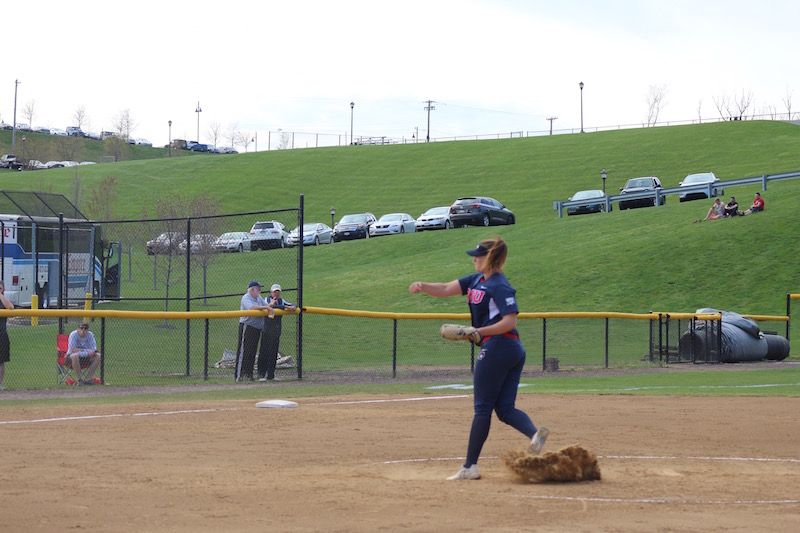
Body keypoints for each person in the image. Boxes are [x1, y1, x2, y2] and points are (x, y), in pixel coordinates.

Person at [409, 237, 549, 481]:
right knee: (504, 409)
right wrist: (423, 285)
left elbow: (510, 321)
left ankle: (469, 467)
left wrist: (477, 332)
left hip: (499, 345)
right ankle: (535, 435)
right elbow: (443, 288)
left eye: (478, 255)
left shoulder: (499, 285)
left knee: (483, 407)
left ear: (490, 258)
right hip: (510, 349)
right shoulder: (476, 280)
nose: (474, 258)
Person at [257, 284, 297, 382]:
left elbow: (294, 305)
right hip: (266, 330)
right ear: (271, 292)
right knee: (264, 353)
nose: (276, 293)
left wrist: (292, 307)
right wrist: (286, 307)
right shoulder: (267, 299)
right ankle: (261, 374)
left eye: (278, 291)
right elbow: (271, 306)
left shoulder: (282, 301)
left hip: (276, 331)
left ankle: (271, 375)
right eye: (275, 291)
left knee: (273, 353)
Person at [235, 281, 274, 381]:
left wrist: (271, 304)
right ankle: (239, 376)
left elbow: (267, 306)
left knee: (252, 353)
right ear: (252, 289)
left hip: (257, 328)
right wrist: (266, 307)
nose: (260, 290)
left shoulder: (259, 298)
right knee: (244, 352)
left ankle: (248, 375)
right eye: (258, 288)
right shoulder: (246, 297)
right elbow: (252, 308)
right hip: (247, 326)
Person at [67, 321, 102, 386]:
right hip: (70, 359)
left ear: (88, 330)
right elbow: (72, 351)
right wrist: (87, 351)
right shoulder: (73, 335)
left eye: (85, 329)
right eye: (81, 328)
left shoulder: (90, 335)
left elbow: (93, 350)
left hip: (85, 358)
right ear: (78, 329)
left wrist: (80, 350)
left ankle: (88, 379)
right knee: (75, 356)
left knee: (98, 356)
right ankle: (80, 380)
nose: (83, 330)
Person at [0, 281, 14, 391]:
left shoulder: (4, 300)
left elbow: (10, 307)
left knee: (1, 362)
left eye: (0, 288)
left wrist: (0, 295)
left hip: (1, 334)